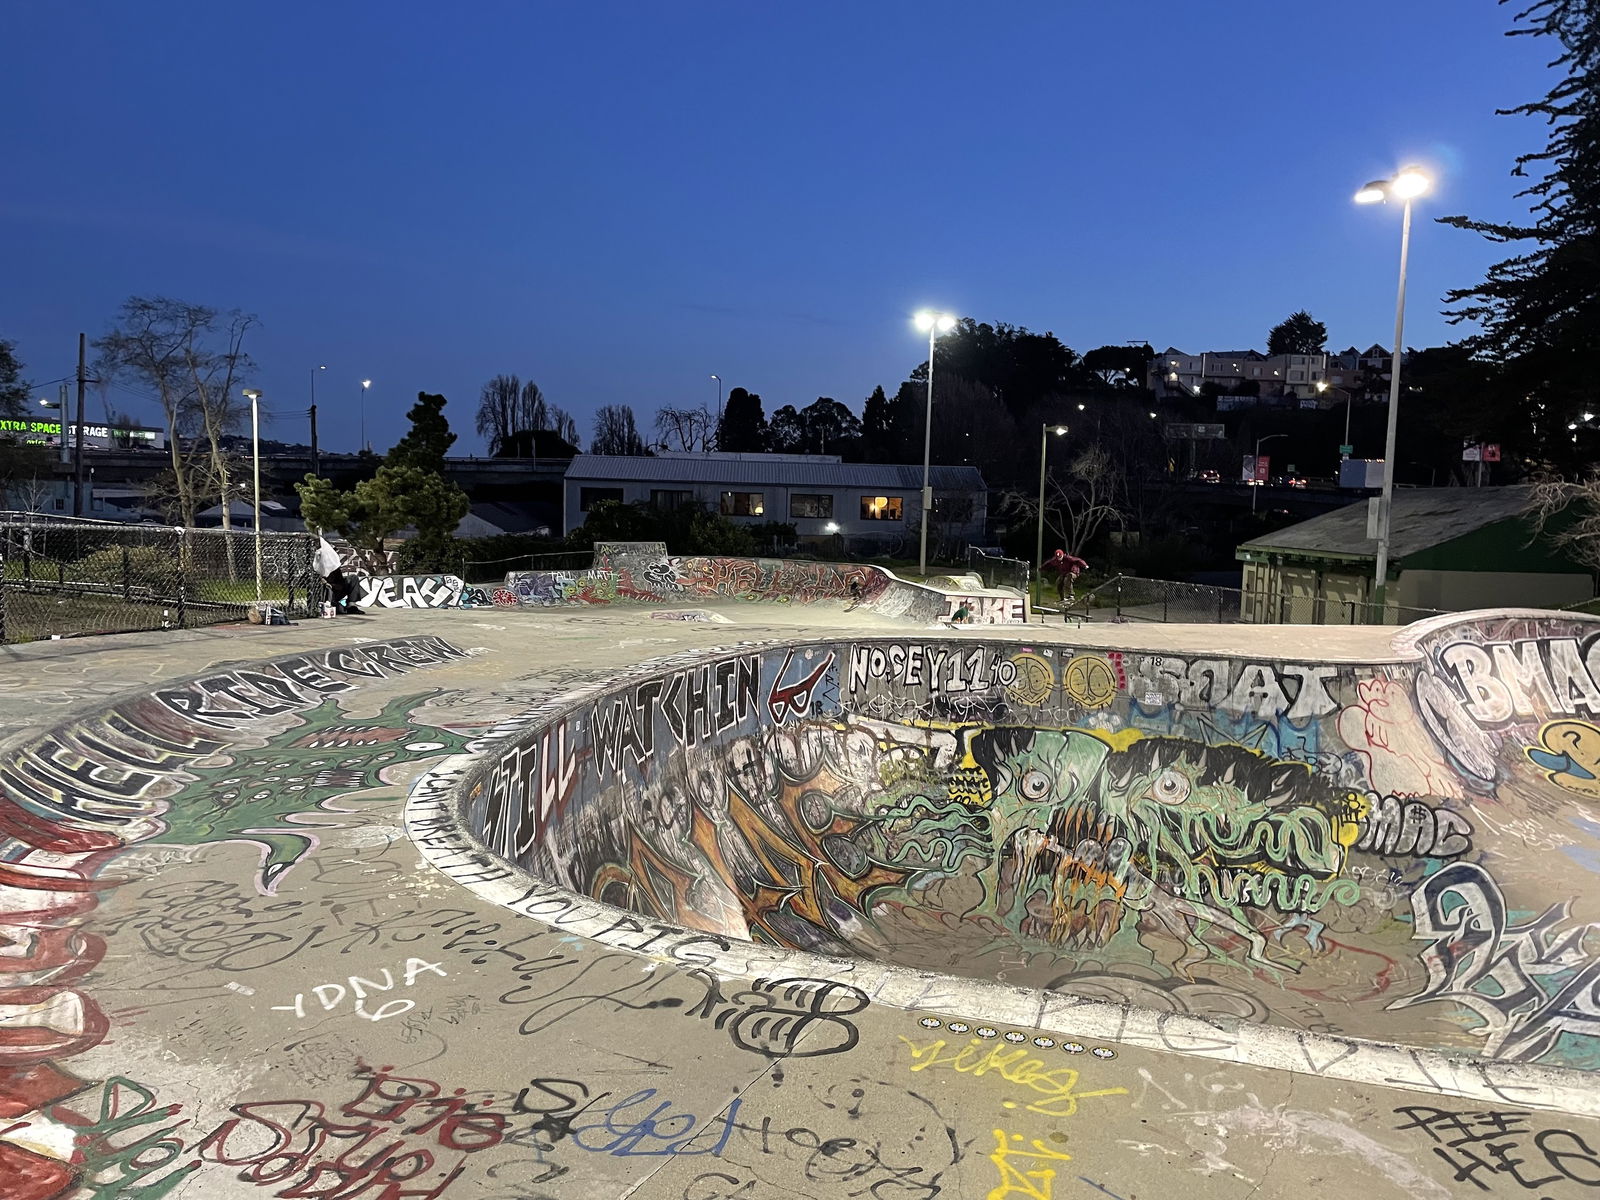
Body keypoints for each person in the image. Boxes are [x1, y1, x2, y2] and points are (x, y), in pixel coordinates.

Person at [313, 535, 362, 615]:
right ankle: (332, 605)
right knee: (338, 610)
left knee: (353, 578)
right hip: (325, 594)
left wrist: (332, 585)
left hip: (335, 589)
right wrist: (322, 582)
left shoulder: (334, 566)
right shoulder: (316, 565)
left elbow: (340, 583)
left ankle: (351, 605)